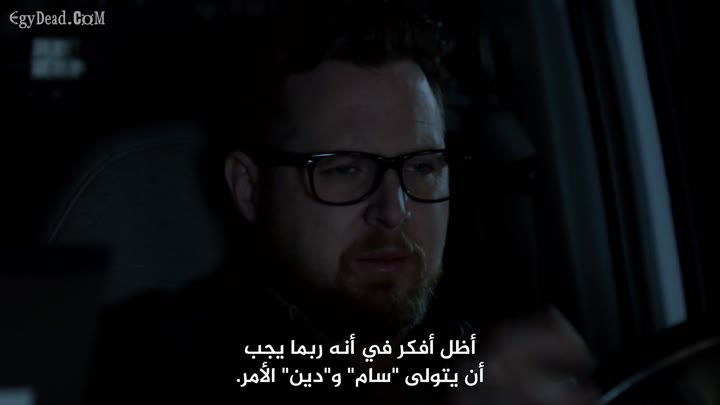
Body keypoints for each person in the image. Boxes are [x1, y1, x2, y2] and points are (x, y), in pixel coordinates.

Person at [84, 2, 599, 404]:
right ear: (249, 188)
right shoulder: (145, 357)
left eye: (421, 166)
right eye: (344, 169)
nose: (394, 211)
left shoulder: (480, 345)